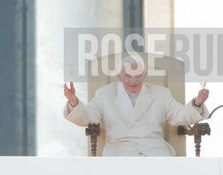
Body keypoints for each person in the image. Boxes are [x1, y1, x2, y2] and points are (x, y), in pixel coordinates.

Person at [63, 57, 209, 156]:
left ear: (144, 75)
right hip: (119, 151)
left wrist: (197, 103)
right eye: (128, 75)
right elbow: (88, 116)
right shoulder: (104, 94)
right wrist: (73, 102)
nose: (133, 81)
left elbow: (180, 114)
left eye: (138, 75)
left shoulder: (161, 94)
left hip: (154, 150)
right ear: (120, 76)